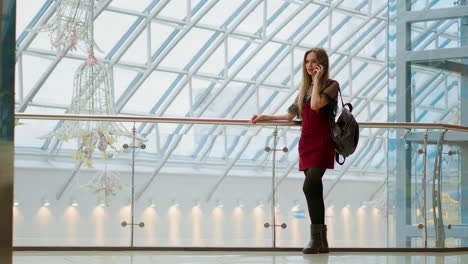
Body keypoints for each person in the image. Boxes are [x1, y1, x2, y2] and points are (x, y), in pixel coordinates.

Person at [250, 47, 339, 254]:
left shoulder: (331, 85)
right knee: (315, 190)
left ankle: (315, 238)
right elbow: (290, 116)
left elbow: (316, 105)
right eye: (307, 61)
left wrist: (317, 81)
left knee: (309, 187)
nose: (309, 65)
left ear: (323, 64)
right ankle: (321, 242)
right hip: (306, 143)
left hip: (323, 143)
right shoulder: (304, 89)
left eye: (314, 61)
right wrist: (266, 117)